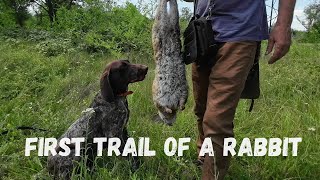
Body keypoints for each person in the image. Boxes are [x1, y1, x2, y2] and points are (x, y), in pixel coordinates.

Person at [183, 0, 296, 179]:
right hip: (203, 29)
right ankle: (204, 155)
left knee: (217, 120)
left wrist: (283, 24)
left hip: (240, 32)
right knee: (201, 108)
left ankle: (211, 174)